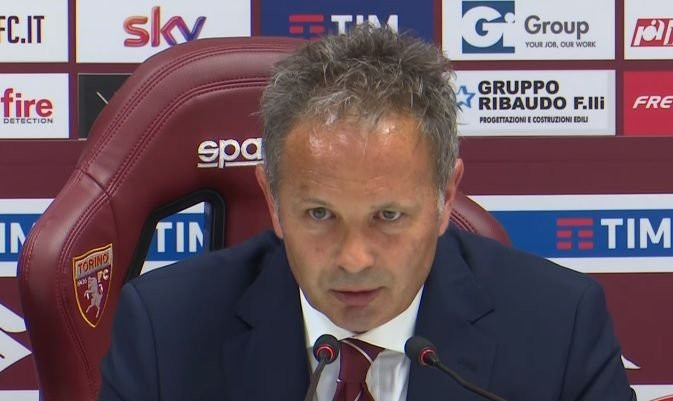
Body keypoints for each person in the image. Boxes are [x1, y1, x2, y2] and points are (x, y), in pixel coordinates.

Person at [98, 27, 635, 401]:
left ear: (446, 198)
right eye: (319, 214)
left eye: (388, 216)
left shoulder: (558, 329)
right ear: (273, 201)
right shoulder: (167, 331)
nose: (353, 260)